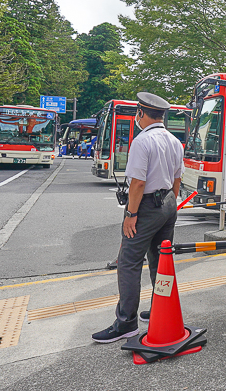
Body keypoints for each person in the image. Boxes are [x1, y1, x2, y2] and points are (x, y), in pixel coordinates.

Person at [92, 92, 184, 343]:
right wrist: (170, 203)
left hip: (146, 206)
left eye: (137, 113)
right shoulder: (175, 141)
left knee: (129, 261)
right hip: (168, 204)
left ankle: (126, 322)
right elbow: (177, 179)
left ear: (141, 113)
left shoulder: (142, 142)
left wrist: (131, 214)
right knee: (160, 260)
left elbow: (138, 184)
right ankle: (159, 310)